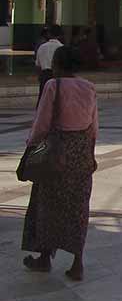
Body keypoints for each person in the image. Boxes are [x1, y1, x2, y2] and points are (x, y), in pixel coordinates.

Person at [22, 45, 98, 281]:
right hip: (82, 151)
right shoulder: (88, 87)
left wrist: (31, 146)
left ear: (57, 64)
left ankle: (44, 258)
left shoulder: (53, 86)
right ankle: (78, 263)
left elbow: (42, 122)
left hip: (57, 151)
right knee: (78, 206)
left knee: (47, 203)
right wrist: (91, 154)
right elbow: (93, 125)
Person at [35, 26, 62, 101]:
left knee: (43, 98)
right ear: (60, 35)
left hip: (44, 75)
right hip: (57, 76)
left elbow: (38, 65)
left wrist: (40, 76)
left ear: (49, 34)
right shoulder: (61, 48)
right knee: (56, 99)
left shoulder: (42, 47)